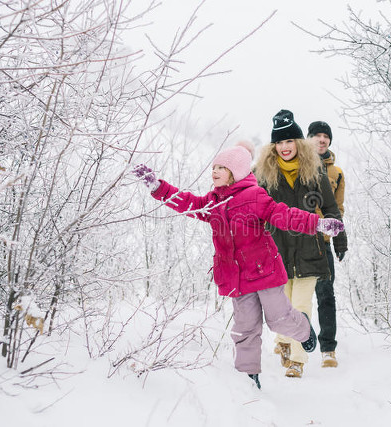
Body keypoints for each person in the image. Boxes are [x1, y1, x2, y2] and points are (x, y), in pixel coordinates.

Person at [132, 140, 343, 389]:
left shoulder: (254, 196)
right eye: (214, 167)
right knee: (245, 330)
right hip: (236, 279)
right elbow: (188, 203)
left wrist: (317, 223)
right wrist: (158, 188)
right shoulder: (213, 202)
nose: (215, 171)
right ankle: (248, 380)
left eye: (222, 167)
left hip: (264, 272)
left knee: (279, 320)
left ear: (236, 172)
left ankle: (304, 330)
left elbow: (285, 215)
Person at [254, 110, 347, 378]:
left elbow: (330, 208)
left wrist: (340, 240)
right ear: (273, 147)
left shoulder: (315, 171)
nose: (284, 147)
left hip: (310, 247)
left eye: (289, 141)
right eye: (279, 143)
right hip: (278, 250)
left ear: (298, 142)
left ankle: (297, 360)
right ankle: (283, 340)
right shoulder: (263, 175)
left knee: (302, 305)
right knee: (283, 307)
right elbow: (251, 208)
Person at [308, 120, 346, 368]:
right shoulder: (296, 166)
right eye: (317, 135)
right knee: (290, 294)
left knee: (325, 295)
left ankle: (328, 349)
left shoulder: (337, 173)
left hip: (322, 243)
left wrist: (340, 239)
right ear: (308, 138)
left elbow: (338, 208)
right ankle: (288, 341)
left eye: (326, 136)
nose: (322, 140)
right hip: (296, 240)